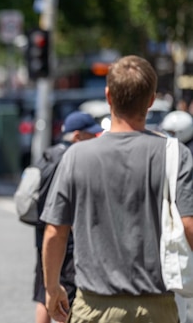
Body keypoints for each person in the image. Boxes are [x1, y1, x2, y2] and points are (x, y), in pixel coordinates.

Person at [41, 55, 193, 323]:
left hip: (95, 307)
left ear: (108, 96)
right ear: (150, 100)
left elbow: (55, 232)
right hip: (156, 307)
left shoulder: (77, 156)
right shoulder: (175, 154)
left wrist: (52, 289)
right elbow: (189, 225)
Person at [31, 111, 102, 323]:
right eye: (91, 134)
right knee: (68, 303)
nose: (95, 138)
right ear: (78, 135)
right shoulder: (75, 159)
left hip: (41, 238)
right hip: (69, 244)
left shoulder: (47, 156)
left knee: (45, 295)